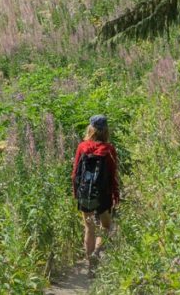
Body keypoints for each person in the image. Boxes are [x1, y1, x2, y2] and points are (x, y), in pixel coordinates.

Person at [72, 114, 121, 273]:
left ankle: (90, 267)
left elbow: (75, 174)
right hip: (103, 195)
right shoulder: (109, 149)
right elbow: (113, 176)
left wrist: (77, 193)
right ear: (105, 130)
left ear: (90, 129)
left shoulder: (82, 147)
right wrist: (115, 195)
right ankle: (97, 252)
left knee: (89, 227)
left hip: (85, 193)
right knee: (106, 226)